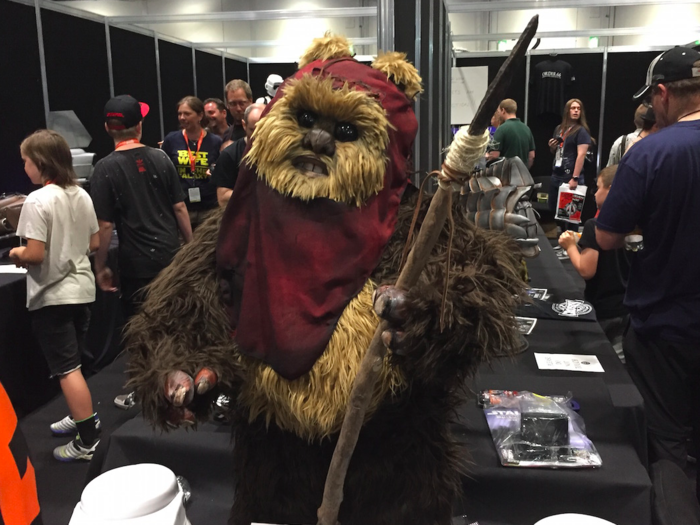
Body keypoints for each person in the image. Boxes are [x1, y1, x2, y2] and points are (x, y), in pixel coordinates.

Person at [595, 46, 700, 503]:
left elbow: (606, 236)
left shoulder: (652, 152)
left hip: (666, 328)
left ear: (662, 94)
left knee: (668, 449)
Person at [92, 95, 193, 411]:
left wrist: (100, 266)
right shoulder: (161, 158)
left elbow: (105, 226)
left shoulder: (105, 169)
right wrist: (190, 249)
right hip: (169, 256)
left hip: (135, 262)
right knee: (174, 322)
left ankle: (143, 390)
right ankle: (179, 385)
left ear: (109, 128)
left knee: (140, 327)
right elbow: (179, 207)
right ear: (139, 124)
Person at [9, 130, 101, 462]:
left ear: (40, 162)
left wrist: (17, 252)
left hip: (53, 295)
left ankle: (88, 440)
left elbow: (34, 254)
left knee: (66, 368)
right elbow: (93, 244)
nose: (24, 168)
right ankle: (83, 417)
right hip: (81, 290)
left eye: (26, 161)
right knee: (75, 361)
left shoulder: (37, 200)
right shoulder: (81, 193)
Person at [558, 165, 629, 362]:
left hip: (603, 308)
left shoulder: (594, 226)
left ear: (612, 190)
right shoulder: (635, 226)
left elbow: (586, 269)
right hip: (627, 307)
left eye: (598, 188)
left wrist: (570, 246)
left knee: (601, 359)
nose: (595, 193)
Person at [161, 96, 222, 228]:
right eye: (180, 114)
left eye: (187, 114)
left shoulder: (215, 142)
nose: (182, 117)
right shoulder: (172, 140)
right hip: (183, 207)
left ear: (200, 115)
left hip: (209, 207)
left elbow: (222, 171)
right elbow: (164, 170)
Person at [547, 98, 592, 231]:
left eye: (578, 108)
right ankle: (561, 241)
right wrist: (552, 147)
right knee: (554, 210)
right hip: (557, 175)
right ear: (567, 111)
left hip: (571, 177)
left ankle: (571, 247)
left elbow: (581, 155)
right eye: (573, 108)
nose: (576, 111)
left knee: (570, 215)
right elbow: (557, 151)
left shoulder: (581, 131)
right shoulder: (559, 129)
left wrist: (575, 178)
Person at [212, 103, 264, 207]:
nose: (259, 135)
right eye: (253, 129)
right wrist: (260, 196)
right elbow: (223, 197)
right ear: (244, 125)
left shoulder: (280, 152)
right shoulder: (230, 154)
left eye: (263, 129)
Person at [487, 98, 535, 168]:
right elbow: (531, 156)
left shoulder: (501, 129)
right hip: (523, 175)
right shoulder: (526, 129)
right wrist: (525, 170)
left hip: (506, 175)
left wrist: (487, 156)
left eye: (498, 111)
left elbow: (494, 156)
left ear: (503, 110)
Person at [221, 79, 253, 148]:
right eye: (233, 104)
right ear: (227, 104)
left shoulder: (261, 130)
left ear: (250, 101)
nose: (238, 108)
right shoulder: (227, 134)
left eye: (242, 103)